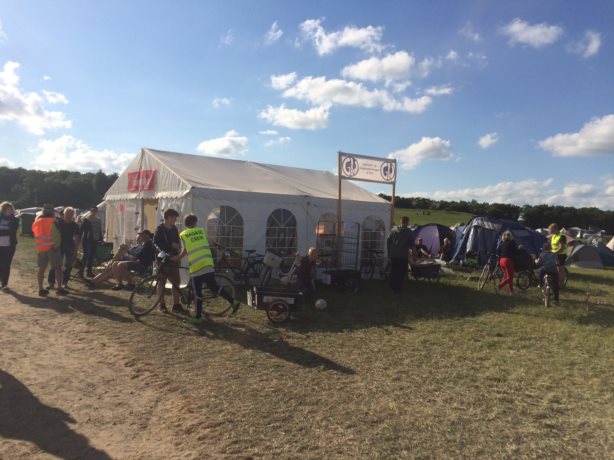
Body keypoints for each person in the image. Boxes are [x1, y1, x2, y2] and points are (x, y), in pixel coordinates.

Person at [179, 213, 240, 325]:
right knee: (214, 287)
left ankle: (198, 317)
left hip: (197, 266)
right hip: (207, 263)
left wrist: (177, 258)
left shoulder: (184, 235)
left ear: (186, 224)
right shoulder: (201, 231)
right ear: (195, 223)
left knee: (197, 293)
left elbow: (185, 250)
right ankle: (233, 301)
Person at [86, 230, 156, 290]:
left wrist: (127, 252)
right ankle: (94, 281)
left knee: (118, 266)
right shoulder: (141, 245)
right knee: (114, 265)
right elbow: (132, 253)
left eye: (141, 235)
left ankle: (130, 284)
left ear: (147, 235)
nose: (140, 237)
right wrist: (125, 250)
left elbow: (137, 255)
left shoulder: (148, 244)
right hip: (134, 262)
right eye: (139, 236)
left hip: (141, 264)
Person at [153, 208, 185, 314]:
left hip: (174, 258)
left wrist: (178, 246)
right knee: (161, 282)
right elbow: (155, 243)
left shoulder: (174, 228)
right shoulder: (160, 229)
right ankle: (162, 305)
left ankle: (176, 305)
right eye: (174, 218)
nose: (175, 220)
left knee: (176, 282)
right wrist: (169, 246)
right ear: (168, 218)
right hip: (163, 259)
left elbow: (177, 241)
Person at [32, 204, 66, 296]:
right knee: (58, 268)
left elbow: (35, 233)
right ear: (52, 212)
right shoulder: (53, 221)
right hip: (52, 248)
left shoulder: (37, 221)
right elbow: (56, 235)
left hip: (41, 248)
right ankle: (59, 287)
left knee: (41, 269)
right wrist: (56, 245)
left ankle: (40, 289)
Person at [47, 207, 80, 290]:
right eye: (67, 213)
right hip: (58, 245)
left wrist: (76, 250)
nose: (69, 215)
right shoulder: (58, 223)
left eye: (71, 214)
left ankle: (64, 282)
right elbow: (51, 233)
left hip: (70, 245)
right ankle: (51, 282)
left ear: (73, 215)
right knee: (55, 264)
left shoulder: (75, 225)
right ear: (64, 214)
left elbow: (77, 238)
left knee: (68, 265)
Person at [387, 216, 413, 294]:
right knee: (401, 273)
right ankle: (397, 289)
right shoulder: (409, 232)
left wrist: (389, 253)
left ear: (400, 221)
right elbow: (412, 245)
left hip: (393, 255)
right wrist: (414, 255)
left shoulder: (393, 230)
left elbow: (388, 241)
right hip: (402, 256)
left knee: (393, 272)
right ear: (407, 222)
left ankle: (392, 287)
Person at [0, 202, 19, 292]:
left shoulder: (14, 220)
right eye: (7, 209)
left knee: (6, 264)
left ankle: (4, 284)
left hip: (9, 245)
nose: (10, 210)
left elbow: (13, 230)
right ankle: (1, 281)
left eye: (11, 209)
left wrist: (3, 231)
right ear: (3, 210)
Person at [79, 206, 103, 278]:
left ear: (97, 212)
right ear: (90, 211)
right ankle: (81, 272)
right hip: (87, 240)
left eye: (95, 211)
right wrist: (79, 239)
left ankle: (89, 272)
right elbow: (81, 230)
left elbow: (99, 230)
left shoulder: (98, 220)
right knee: (86, 256)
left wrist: (101, 238)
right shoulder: (86, 220)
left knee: (92, 256)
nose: (94, 212)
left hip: (95, 240)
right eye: (93, 210)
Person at [496, 230, 518, 295]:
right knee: (510, 277)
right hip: (508, 261)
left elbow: (498, 252)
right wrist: (519, 248)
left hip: (501, 261)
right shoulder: (512, 242)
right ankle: (499, 287)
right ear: (510, 236)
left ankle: (511, 292)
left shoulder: (502, 243)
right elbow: (516, 251)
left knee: (508, 277)